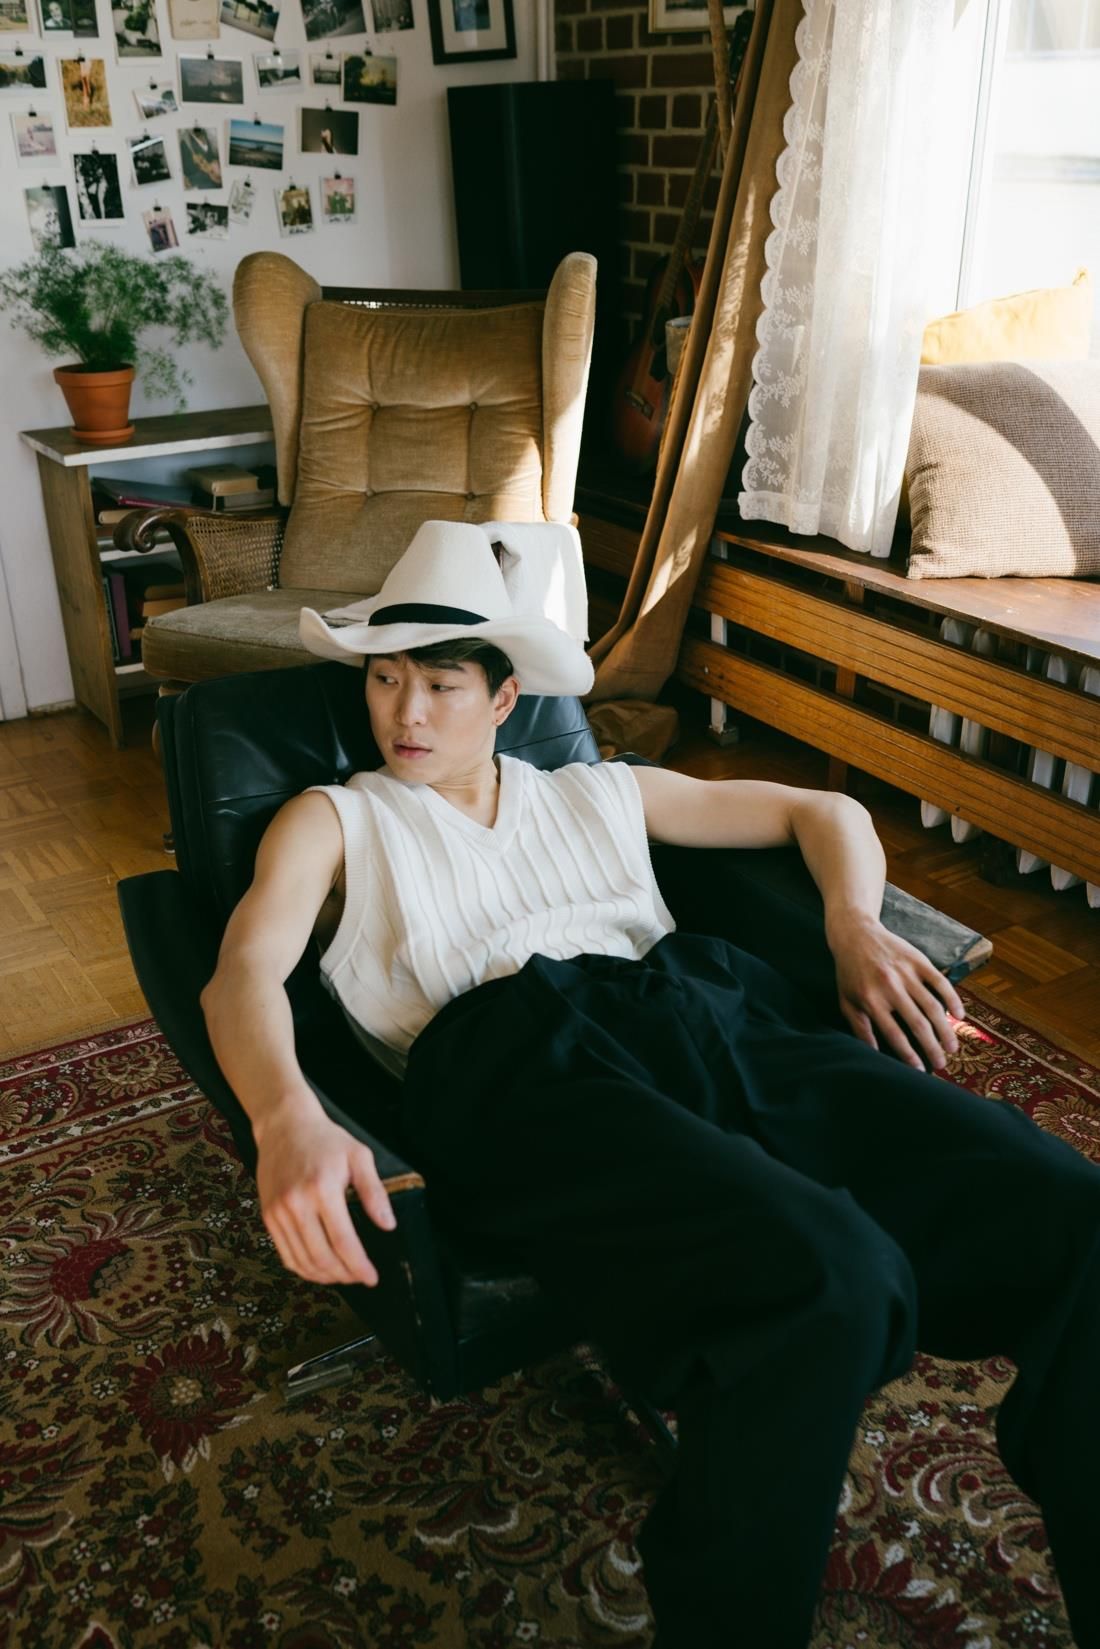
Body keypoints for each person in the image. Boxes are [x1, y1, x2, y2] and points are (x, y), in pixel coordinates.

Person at [200, 521, 1100, 1649]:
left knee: (1066, 1208)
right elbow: (243, 970)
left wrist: (851, 922)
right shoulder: (336, 817)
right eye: (383, 680)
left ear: (505, 693)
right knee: (830, 1279)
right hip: (511, 1057)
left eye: (438, 683)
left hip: (703, 1008)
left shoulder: (598, 791)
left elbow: (823, 811)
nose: (405, 714)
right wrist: (284, 1112)